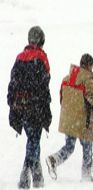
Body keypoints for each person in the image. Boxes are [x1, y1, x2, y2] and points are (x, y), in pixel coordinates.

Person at [45, 53, 93, 182]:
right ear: (88, 66)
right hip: (82, 120)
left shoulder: (66, 78)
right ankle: (86, 176)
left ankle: (54, 159)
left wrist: (69, 113)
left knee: (69, 147)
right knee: (87, 146)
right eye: (92, 67)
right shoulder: (88, 79)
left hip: (69, 119)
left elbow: (62, 97)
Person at [7, 26, 52, 189]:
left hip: (20, 108)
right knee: (33, 142)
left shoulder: (19, 58)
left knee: (33, 141)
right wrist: (46, 111)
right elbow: (44, 88)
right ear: (41, 40)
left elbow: (11, 86)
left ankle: (38, 179)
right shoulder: (41, 58)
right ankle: (25, 181)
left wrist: (12, 106)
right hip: (36, 108)